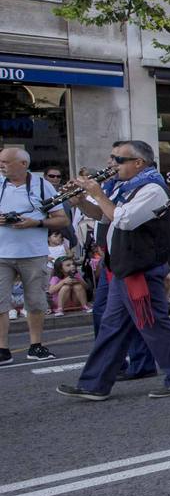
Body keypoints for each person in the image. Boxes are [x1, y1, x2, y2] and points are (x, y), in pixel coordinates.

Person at [57, 141, 170, 399]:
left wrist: (98, 193)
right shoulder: (125, 186)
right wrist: (79, 202)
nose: (112, 164)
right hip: (122, 267)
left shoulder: (152, 189)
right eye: (112, 158)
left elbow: (125, 219)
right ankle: (94, 384)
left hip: (140, 269)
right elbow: (105, 215)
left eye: (118, 160)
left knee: (153, 324)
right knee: (111, 327)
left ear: (138, 163)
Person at [0, 147, 68, 364]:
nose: (1, 165)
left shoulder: (42, 186)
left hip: (33, 254)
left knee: (36, 301)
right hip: (1, 253)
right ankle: (2, 349)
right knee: (0, 303)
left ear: (23, 164)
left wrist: (36, 222)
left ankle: (36, 345)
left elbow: (62, 219)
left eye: (6, 161)